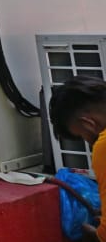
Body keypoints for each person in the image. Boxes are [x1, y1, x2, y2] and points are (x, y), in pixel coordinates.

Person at [49, 76, 106, 240]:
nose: (87, 142)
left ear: (88, 123)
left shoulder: (103, 146)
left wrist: (95, 234)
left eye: (82, 135)